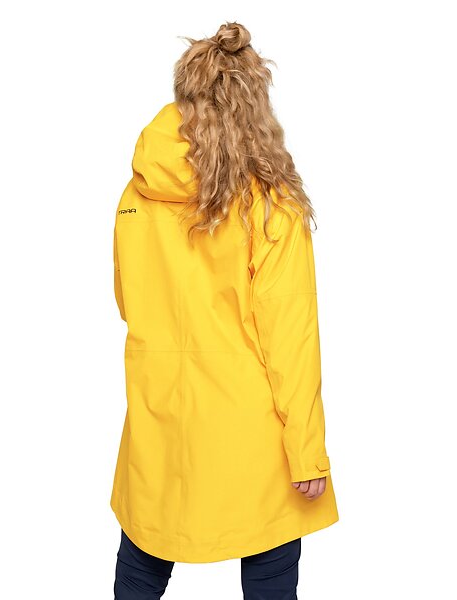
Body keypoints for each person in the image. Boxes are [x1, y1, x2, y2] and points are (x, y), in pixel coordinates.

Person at [110, 20, 339, 600]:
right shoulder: (271, 204)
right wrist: (307, 451)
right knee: (270, 566)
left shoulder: (138, 193)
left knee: (142, 562)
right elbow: (290, 335)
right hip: (249, 429)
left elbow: (127, 299)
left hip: (159, 414)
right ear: (254, 102)